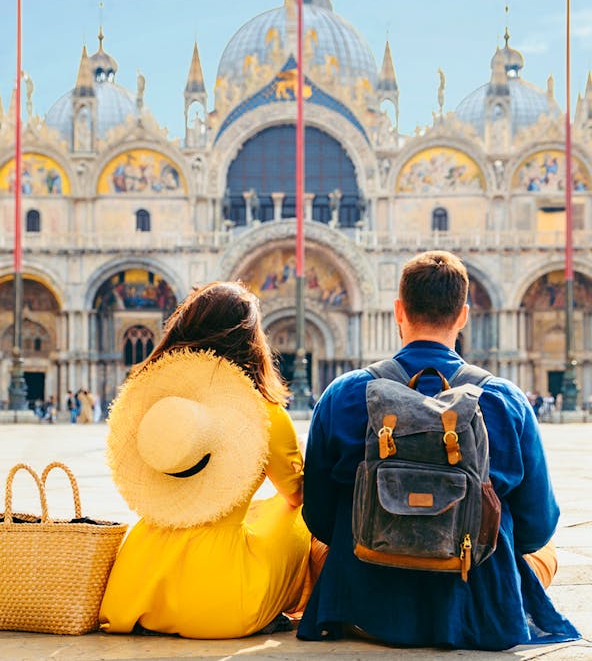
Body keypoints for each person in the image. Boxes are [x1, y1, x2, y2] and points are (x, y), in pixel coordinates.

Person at [298, 250, 580, 651]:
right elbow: (537, 526)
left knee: (313, 547)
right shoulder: (506, 400)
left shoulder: (342, 394)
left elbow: (319, 517)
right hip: (478, 610)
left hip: (365, 608)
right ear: (463, 315)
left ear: (399, 311)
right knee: (545, 549)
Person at [100, 281, 319, 638]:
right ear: (251, 339)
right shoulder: (262, 412)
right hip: (222, 603)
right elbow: (297, 493)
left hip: (134, 590)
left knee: (259, 509)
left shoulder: (161, 402)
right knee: (297, 514)